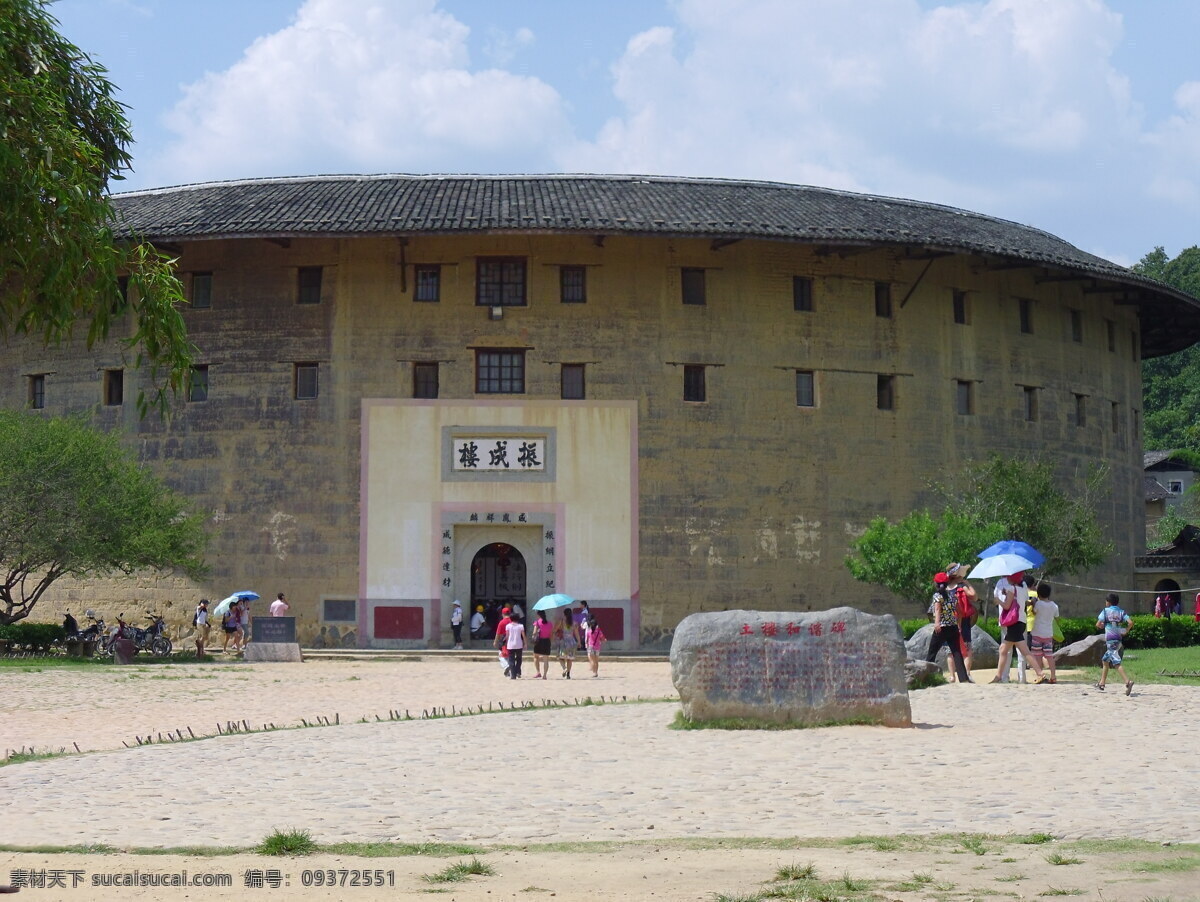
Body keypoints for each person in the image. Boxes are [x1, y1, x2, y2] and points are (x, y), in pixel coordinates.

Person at [990, 571, 1047, 684]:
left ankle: (999, 677)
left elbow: (1006, 606)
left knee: (1019, 651)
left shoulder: (1011, 588)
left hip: (1013, 623)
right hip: (1021, 621)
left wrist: (999, 601)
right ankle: (999, 676)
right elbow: (1023, 601)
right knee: (1014, 650)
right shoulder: (1021, 588)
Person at [926, 572, 972, 683]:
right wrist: (958, 624)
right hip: (953, 627)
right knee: (956, 652)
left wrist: (937, 623)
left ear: (936, 584)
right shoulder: (953, 595)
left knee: (932, 652)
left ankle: (927, 675)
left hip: (941, 628)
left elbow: (937, 609)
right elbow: (959, 612)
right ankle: (963, 678)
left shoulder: (937, 596)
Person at [1096, 592, 1134, 695]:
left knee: (1116, 663)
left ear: (1108, 602)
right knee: (1105, 660)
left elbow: (1098, 624)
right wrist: (1126, 630)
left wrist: (1103, 626)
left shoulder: (1105, 611)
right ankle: (1102, 683)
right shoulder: (1121, 612)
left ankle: (1127, 682)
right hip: (1118, 639)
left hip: (1110, 640)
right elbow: (1130, 622)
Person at [946, 562, 977, 675]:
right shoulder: (961, 586)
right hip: (963, 620)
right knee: (967, 649)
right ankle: (967, 673)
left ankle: (951, 676)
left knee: (950, 650)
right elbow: (974, 596)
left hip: (949, 621)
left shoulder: (945, 588)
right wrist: (967, 583)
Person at [1028, 582, 1059, 683]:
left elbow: (1034, 612)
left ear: (1038, 594)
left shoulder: (1038, 604)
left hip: (1037, 633)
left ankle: (1040, 675)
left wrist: (1032, 604)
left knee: (1037, 656)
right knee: (1049, 656)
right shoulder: (1054, 606)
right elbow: (1057, 618)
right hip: (1048, 634)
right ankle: (1053, 676)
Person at [554, 607, 579, 678]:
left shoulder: (561, 622)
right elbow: (576, 634)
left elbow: (555, 630)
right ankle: (568, 674)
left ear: (564, 614)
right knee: (569, 659)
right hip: (571, 641)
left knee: (560, 657)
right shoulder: (574, 623)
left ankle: (564, 668)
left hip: (563, 641)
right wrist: (579, 642)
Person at [531, 609, 553, 678]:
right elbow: (551, 634)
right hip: (547, 641)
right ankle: (545, 675)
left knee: (536, 656)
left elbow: (534, 633)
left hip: (539, 641)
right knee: (546, 659)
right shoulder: (550, 623)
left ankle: (538, 672)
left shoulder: (537, 622)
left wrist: (537, 631)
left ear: (538, 615)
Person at [504, 611, 526, 678]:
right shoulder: (521, 626)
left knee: (511, 660)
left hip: (510, 645)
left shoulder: (508, 626)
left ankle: (513, 675)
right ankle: (517, 671)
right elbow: (523, 636)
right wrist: (525, 643)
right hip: (519, 644)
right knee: (519, 659)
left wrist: (506, 643)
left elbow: (507, 636)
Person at [494, 606, 513, 676]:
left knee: (501, 655)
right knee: (510, 655)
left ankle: (506, 666)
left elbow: (498, 634)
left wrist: (495, 642)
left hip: (504, 640)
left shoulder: (501, 622)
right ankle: (509, 671)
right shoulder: (512, 621)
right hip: (512, 639)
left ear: (502, 614)